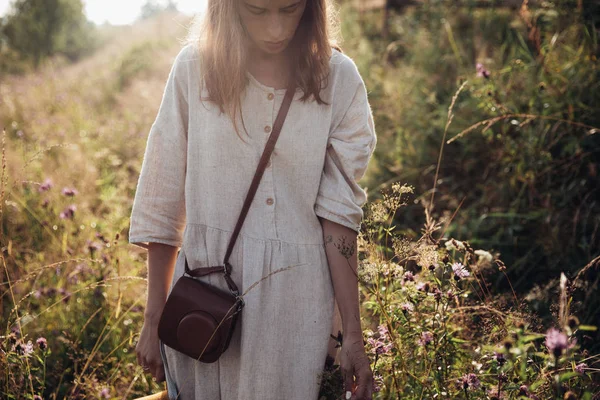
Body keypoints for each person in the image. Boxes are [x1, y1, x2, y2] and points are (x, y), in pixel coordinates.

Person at [129, 0, 377, 399]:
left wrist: (352, 334)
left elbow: (339, 218)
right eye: (257, 11)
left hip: (298, 308)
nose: (277, 29)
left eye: (290, 9)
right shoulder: (194, 69)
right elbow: (163, 199)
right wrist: (153, 317)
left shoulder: (338, 79)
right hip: (204, 304)